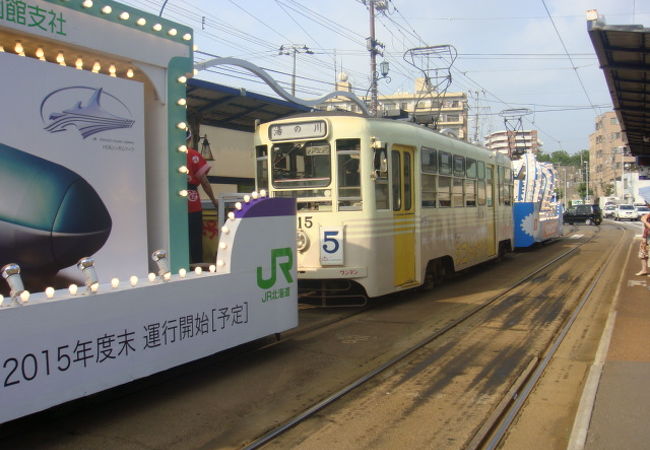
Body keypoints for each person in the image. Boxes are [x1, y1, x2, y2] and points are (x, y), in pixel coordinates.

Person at [185, 130, 218, 264]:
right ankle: (196, 265)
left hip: (172, 204)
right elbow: (204, 181)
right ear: (190, 139)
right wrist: (213, 200)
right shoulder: (194, 155)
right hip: (192, 203)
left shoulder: (167, 155)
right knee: (195, 239)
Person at [636, 187, 650, 276]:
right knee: (643, 253)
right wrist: (644, 237)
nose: (646, 204)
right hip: (647, 236)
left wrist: (645, 221)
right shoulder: (649, 213)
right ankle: (644, 269)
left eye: (647, 202)